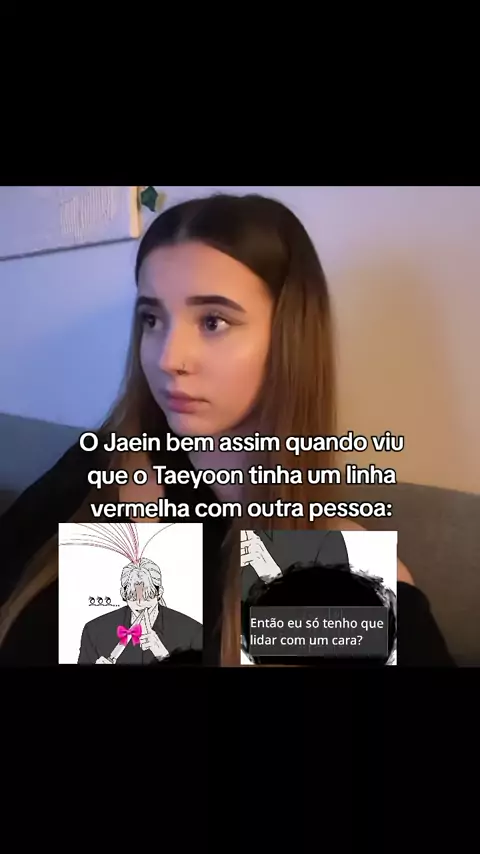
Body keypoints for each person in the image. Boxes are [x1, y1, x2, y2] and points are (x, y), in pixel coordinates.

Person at [0, 192, 455, 666]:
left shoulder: (327, 569)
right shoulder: (104, 465)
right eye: (152, 318)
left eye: (213, 321)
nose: (168, 358)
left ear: (289, 336)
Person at [78, 557, 202, 665]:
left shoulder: (192, 632)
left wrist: (163, 656)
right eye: (132, 596)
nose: (139, 603)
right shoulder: (94, 631)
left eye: (147, 595)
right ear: (123, 594)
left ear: (159, 593)